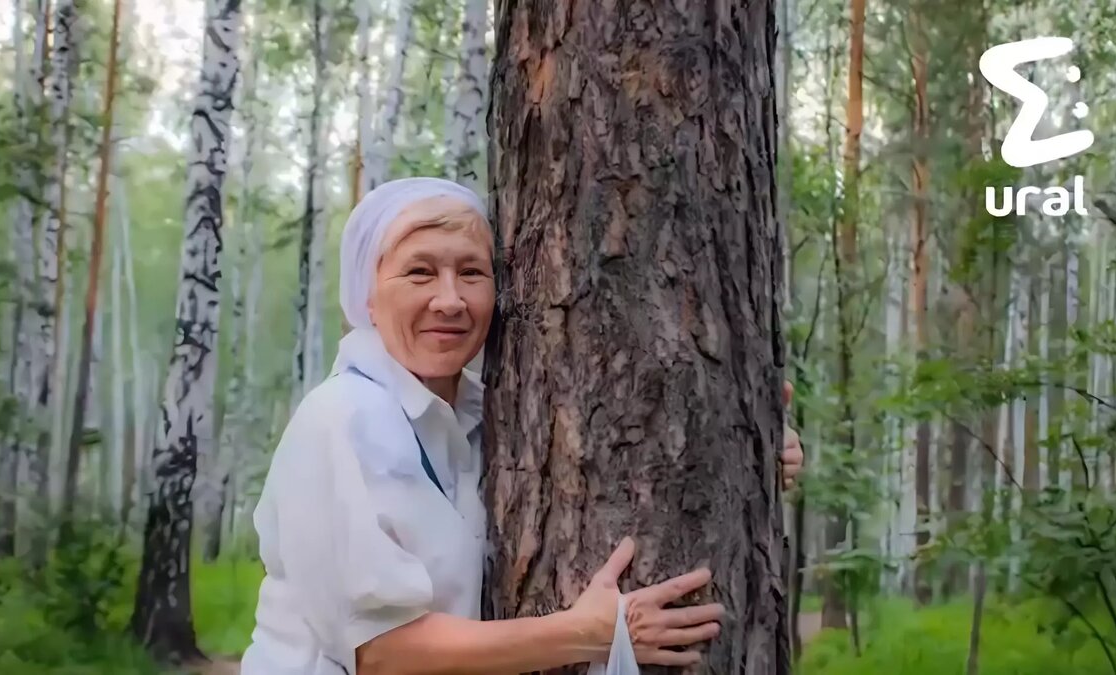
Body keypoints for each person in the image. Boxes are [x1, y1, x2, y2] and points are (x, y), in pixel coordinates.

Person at [240, 178, 806, 675]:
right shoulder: (342, 419)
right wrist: (592, 632)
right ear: (365, 294)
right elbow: (381, 652)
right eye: (419, 272)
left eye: (471, 272)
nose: (449, 300)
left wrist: (740, 446)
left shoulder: (486, 418)